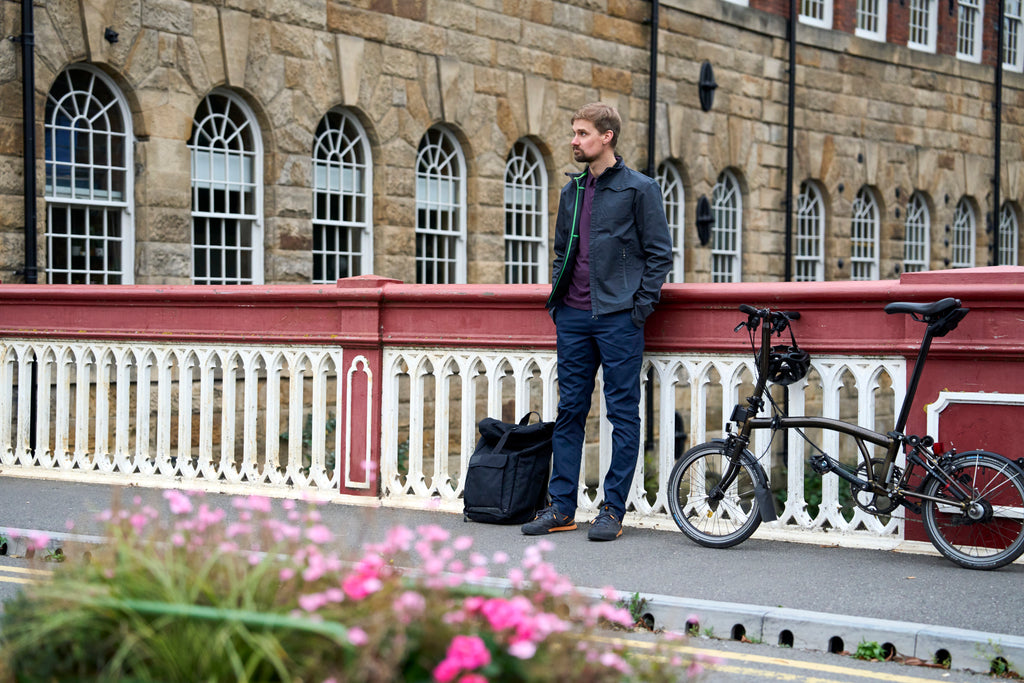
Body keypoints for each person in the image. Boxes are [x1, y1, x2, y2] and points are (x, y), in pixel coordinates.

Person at [522, 103, 673, 541]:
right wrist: (558, 301)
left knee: (622, 413)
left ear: (607, 137)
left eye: (583, 133)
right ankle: (562, 507)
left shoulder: (639, 189)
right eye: (574, 132)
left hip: (618, 318)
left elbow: (659, 253)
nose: (574, 140)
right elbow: (560, 254)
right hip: (572, 316)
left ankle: (612, 510)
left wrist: (638, 307)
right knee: (570, 411)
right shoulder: (572, 191)